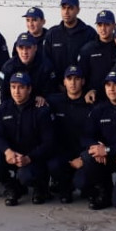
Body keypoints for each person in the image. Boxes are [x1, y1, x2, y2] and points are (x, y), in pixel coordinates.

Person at [0, 72, 56, 206]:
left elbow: (48, 143)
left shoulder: (41, 110)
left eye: (21, 87)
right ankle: (12, 188)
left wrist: (29, 157)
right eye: (13, 87)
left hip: (33, 157)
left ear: (29, 89)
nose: (16, 91)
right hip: (12, 155)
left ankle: (40, 188)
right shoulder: (3, 109)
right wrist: (7, 152)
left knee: (26, 175)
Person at [79, 69, 116, 211]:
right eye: (108, 85)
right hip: (104, 159)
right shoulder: (100, 108)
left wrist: (107, 150)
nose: (111, 89)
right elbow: (85, 136)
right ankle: (104, 192)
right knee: (88, 156)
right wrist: (95, 147)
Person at [47, 66, 93, 203]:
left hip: (83, 154)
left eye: (77, 79)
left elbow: (97, 136)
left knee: (82, 182)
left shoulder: (91, 104)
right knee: (53, 164)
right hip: (63, 154)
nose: (73, 82)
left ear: (83, 82)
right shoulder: (54, 101)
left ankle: (88, 186)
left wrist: (84, 158)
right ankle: (64, 188)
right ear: (64, 82)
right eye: (69, 79)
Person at [41, 0, 97, 72]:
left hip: (82, 82)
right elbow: (46, 60)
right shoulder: (52, 34)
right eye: (63, 8)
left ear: (78, 10)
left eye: (70, 8)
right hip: (56, 83)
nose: (66, 12)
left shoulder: (89, 33)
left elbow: (95, 59)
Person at [0, 32, 57, 106]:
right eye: (21, 48)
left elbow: (52, 93)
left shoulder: (46, 66)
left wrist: (43, 98)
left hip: (39, 106)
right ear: (16, 48)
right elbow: (4, 98)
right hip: (15, 107)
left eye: (28, 48)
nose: (24, 52)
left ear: (35, 48)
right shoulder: (8, 68)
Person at [79, 10, 116, 102]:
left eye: (107, 25)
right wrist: (88, 91)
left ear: (114, 25)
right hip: (95, 98)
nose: (103, 28)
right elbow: (82, 76)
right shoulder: (88, 49)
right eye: (100, 25)